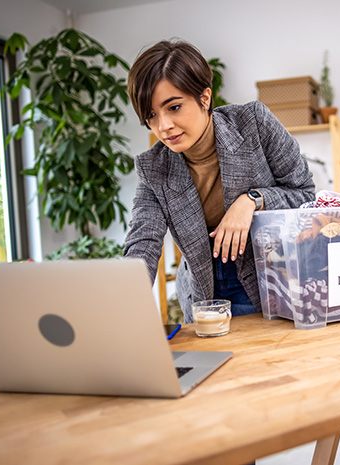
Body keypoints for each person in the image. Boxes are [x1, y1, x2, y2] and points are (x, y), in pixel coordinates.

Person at [124, 39, 315, 323]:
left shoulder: (254, 123)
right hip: (204, 295)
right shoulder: (154, 167)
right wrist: (121, 300)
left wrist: (252, 201)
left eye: (173, 107)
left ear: (204, 97)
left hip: (270, 280)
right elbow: (143, 242)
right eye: (151, 115)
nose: (163, 126)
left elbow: (306, 196)